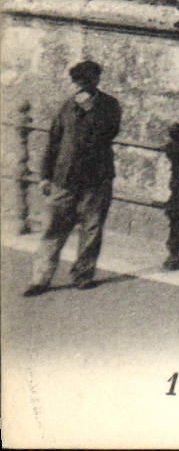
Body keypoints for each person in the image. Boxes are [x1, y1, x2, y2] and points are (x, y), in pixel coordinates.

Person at [23, 59, 122, 296]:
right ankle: (40, 278)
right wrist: (45, 176)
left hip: (96, 178)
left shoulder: (109, 106)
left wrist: (90, 109)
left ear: (96, 80)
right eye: (77, 82)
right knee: (53, 228)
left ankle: (83, 275)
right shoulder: (66, 106)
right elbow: (53, 141)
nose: (80, 87)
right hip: (64, 177)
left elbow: (109, 132)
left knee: (91, 228)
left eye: (85, 82)